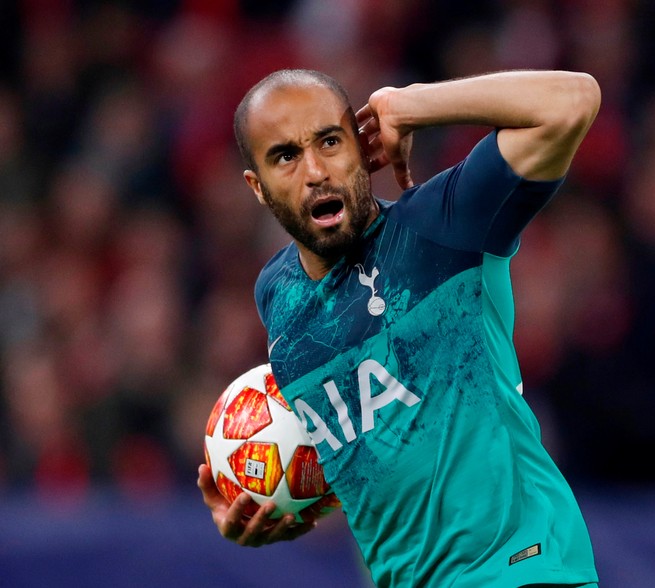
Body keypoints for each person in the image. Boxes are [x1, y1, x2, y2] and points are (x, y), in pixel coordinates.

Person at [197, 68, 601, 587]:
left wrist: (413, 104)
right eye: (285, 156)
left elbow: (574, 100)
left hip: (521, 570)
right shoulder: (276, 297)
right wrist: (288, 508)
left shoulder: (443, 227)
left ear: (363, 147)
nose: (316, 170)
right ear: (257, 187)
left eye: (330, 141)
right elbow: (385, 458)